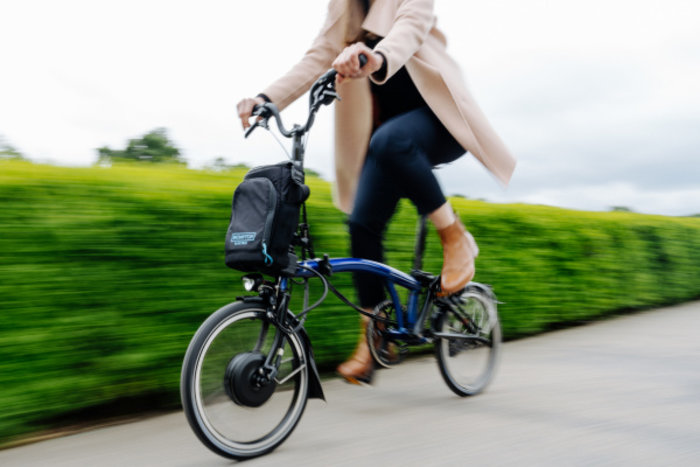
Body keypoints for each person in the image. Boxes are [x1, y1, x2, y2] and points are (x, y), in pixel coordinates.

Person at [237, 0, 516, 385]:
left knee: (392, 141)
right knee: (361, 225)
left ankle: (455, 237)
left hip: (439, 120)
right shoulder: (345, 5)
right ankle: (376, 332)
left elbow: (409, 29)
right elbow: (319, 54)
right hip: (386, 141)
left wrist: (376, 56)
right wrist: (266, 99)